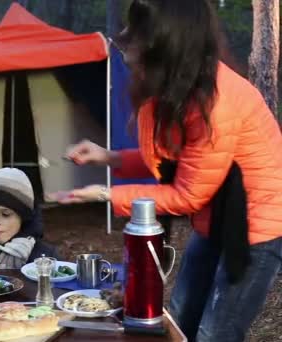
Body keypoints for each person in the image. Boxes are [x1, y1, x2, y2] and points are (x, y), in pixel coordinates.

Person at [50, 1, 282, 341]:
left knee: (212, 334)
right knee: (178, 316)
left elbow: (187, 193)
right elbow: (175, 160)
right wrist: (109, 157)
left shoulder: (216, 102)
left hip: (256, 224)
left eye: (137, 37)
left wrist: (105, 194)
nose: (125, 46)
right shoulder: (175, 85)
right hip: (216, 217)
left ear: (169, 43)